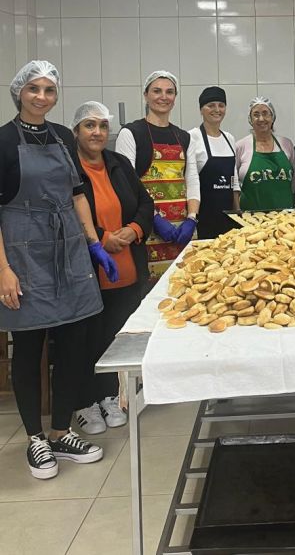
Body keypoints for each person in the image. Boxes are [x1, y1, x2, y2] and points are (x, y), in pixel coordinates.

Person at [0, 61, 116, 479]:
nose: (42, 97)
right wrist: (3, 270)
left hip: (68, 249)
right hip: (23, 253)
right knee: (29, 347)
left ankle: (61, 431)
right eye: (34, 89)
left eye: (49, 90)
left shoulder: (63, 136)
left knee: (73, 345)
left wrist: (93, 243)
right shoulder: (3, 140)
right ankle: (35, 438)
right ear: (20, 92)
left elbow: (77, 193)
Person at [72, 102, 154, 435]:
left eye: (103, 126)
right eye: (89, 125)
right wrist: (102, 239)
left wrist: (133, 230)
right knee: (86, 338)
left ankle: (109, 396)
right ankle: (84, 402)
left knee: (113, 337)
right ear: (76, 131)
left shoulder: (118, 164)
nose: (97, 132)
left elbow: (145, 202)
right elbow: (67, 212)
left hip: (126, 266)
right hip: (89, 268)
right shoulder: (68, 168)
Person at [115, 71, 200, 281]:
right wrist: (153, 219)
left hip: (182, 229)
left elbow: (192, 180)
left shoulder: (184, 137)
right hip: (145, 228)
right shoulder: (131, 133)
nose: (163, 97)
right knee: (149, 290)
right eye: (157, 91)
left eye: (169, 92)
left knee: (184, 284)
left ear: (175, 97)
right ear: (146, 95)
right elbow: (126, 185)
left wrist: (191, 218)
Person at [187, 87, 239, 238]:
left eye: (221, 105)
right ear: (201, 109)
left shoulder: (229, 138)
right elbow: (190, 182)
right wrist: (191, 218)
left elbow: (234, 182)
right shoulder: (191, 137)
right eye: (211, 105)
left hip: (228, 218)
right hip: (203, 218)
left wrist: (237, 214)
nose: (217, 110)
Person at [236, 97, 295, 210]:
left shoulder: (286, 144)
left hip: (286, 216)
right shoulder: (241, 146)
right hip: (250, 216)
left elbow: (294, 178)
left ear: (272, 117)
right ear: (250, 119)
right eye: (256, 114)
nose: (261, 119)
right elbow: (233, 183)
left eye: (265, 113)